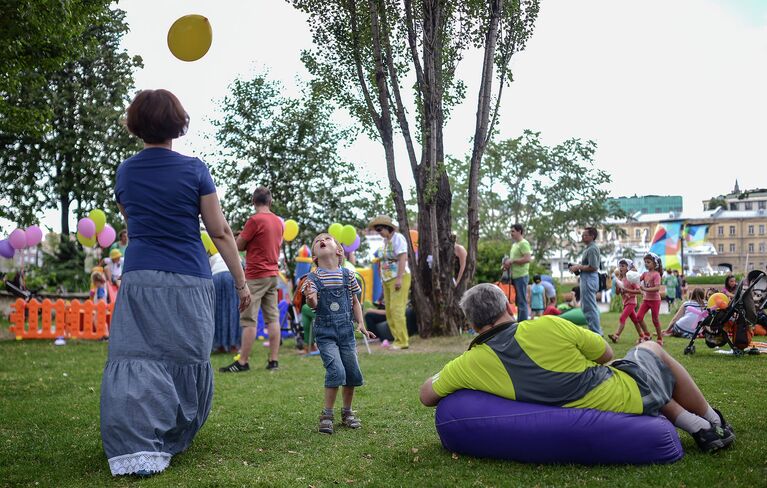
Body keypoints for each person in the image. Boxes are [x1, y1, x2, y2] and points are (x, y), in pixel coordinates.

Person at [100, 89, 251, 477]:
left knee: (138, 356)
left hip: (140, 275)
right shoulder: (195, 169)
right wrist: (241, 282)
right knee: (185, 356)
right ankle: (170, 432)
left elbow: (133, 225)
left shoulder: (125, 171)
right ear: (177, 123)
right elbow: (219, 232)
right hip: (189, 276)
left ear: (137, 125)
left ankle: (137, 442)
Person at [419, 284, 736, 454]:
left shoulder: (470, 363)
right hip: (622, 396)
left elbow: (426, 395)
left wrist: (450, 376)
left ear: (473, 325)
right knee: (648, 350)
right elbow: (606, 353)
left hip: (588, 402)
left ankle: (699, 426)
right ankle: (710, 419)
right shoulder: (548, 325)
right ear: (507, 308)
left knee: (630, 368)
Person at [301, 233, 375, 434]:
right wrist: (309, 298)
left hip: (346, 332)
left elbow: (355, 302)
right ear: (315, 257)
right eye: (317, 241)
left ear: (339, 250)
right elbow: (313, 304)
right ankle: (327, 414)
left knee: (351, 372)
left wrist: (360, 323)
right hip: (325, 333)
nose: (321, 240)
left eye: (327, 238)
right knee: (336, 371)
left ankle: (347, 412)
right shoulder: (313, 277)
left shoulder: (348, 275)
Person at [220, 187, 284, 372]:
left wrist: (238, 236)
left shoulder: (255, 220)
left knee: (248, 319)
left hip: (256, 275)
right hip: (273, 275)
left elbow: (238, 246)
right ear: (270, 202)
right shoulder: (279, 222)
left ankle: (243, 362)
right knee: (273, 318)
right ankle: (273, 361)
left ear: (253, 201)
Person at [369, 215, 411, 350]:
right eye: (377, 230)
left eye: (380, 229)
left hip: (399, 277)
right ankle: (396, 339)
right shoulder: (386, 241)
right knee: (389, 311)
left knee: (396, 309)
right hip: (387, 280)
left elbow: (403, 258)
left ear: (388, 228)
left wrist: (399, 278)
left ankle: (403, 341)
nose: (378, 232)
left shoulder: (399, 238)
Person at [568, 227, 602, 335]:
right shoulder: (588, 248)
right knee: (587, 306)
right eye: (582, 235)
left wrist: (578, 266)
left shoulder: (592, 249)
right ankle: (595, 330)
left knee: (590, 307)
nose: (583, 237)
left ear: (592, 236)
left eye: (585, 235)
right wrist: (577, 267)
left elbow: (594, 267)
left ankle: (596, 332)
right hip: (586, 278)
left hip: (589, 279)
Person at [209, 247, 241, 353]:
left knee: (217, 311)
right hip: (231, 275)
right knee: (233, 310)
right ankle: (233, 345)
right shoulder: (235, 253)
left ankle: (219, 345)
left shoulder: (214, 257)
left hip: (215, 277)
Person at [609, 258, 648, 344]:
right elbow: (618, 293)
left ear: (628, 268)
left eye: (623, 266)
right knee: (635, 320)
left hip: (631, 302)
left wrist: (628, 291)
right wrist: (617, 286)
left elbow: (639, 291)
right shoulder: (621, 279)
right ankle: (642, 336)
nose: (620, 268)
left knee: (622, 318)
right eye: (620, 266)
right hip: (625, 302)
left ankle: (616, 336)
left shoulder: (631, 279)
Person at [502, 224, 532, 321]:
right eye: (511, 231)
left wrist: (513, 261)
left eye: (513, 231)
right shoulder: (515, 245)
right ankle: (519, 322)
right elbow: (513, 260)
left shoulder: (524, 243)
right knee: (517, 301)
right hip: (514, 276)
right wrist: (506, 265)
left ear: (519, 231)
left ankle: (522, 324)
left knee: (522, 301)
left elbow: (527, 259)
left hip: (521, 276)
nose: (511, 234)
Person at [637, 253, 664, 346]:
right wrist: (630, 275)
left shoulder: (656, 275)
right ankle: (647, 335)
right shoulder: (644, 274)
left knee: (655, 319)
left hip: (655, 301)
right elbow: (637, 280)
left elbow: (657, 288)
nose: (646, 264)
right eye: (645, 262)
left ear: (655, 264)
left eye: (648, 262)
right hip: (646, 300)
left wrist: (644, 289)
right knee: (639, 317)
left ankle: (660, 338)